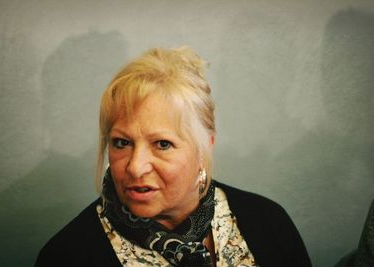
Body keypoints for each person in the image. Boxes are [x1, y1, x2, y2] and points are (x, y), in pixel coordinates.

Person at [35, 46, 312, 267]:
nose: (135, 167)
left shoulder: (267, 223)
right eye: (122, 142)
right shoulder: (67, 256)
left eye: (162, 144)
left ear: (205, 148)